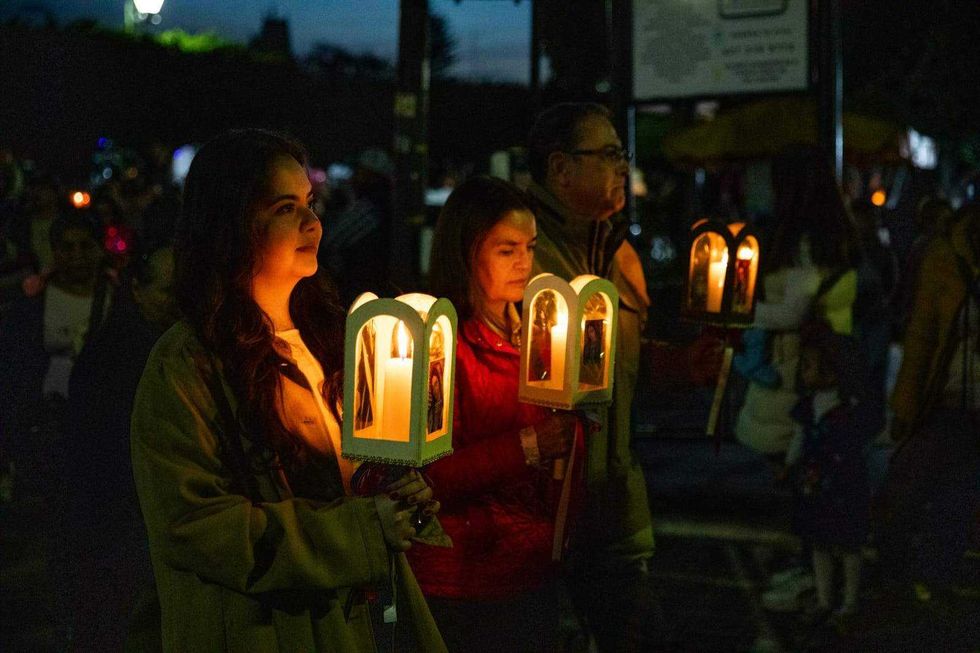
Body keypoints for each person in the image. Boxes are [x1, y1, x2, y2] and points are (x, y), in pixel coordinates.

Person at [130, 129, 445, 652]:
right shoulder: (187, 364)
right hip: (269, 631)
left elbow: (361, 475)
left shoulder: (336, 337)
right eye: (284, 207)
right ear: (231, 224)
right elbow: (194, 526)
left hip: (363, 623)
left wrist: (397, 491)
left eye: (310, 203)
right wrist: (359, 531)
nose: (312, 223)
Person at [412, 175, 583, 652]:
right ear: (467, 251)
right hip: (462, 577)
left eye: (529, 247)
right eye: (506, 250)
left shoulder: (543, 335)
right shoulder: (442, 345)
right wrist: (529, 446)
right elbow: (429, 474)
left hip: (533, 566)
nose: (524, 262)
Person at [526, 102, 656, 651]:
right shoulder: (519, 256)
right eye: (607, 155)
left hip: (616, 498)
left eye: (621, 154)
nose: (621, 167)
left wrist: (681, 363)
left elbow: (629, 363)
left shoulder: (618, 251)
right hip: (544, 510)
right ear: (561, 169)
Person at [64, 239, 179, 652]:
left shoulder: (159, 345)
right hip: (119, 524)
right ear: (138, 289)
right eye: (169, 292)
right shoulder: (127, 354)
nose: (179, 303)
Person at [877, 203, 980, 601]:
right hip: (946, 396)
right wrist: (904, 407)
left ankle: (937, 575)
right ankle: (896, 567)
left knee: (960, 495)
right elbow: (921, 338)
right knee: (910, 486)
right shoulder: (945, 257)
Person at [786, 321, 874, 629]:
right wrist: (790, 465)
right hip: (817, 485)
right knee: (820, 543)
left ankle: (848, 601)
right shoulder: (808, 406)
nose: (803, 372)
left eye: (809, 366)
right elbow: (798, 440)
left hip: (843, 485)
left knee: (848, 544)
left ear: (833, 372)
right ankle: (826, 600)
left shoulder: (848, 409)